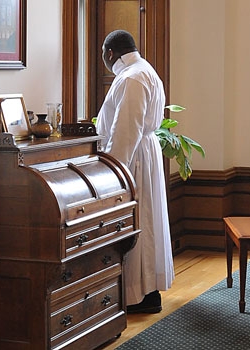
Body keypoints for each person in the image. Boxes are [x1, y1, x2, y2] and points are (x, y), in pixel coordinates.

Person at [95, 29, 174, 313]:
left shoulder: (130, 78)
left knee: (138, 223)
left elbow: (126, 130)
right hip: (145, 152)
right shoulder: (145, 69)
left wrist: (111, 173)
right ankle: (148, 290)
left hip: (134, 158)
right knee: (147, 221)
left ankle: (137, 293)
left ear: (110, 53)